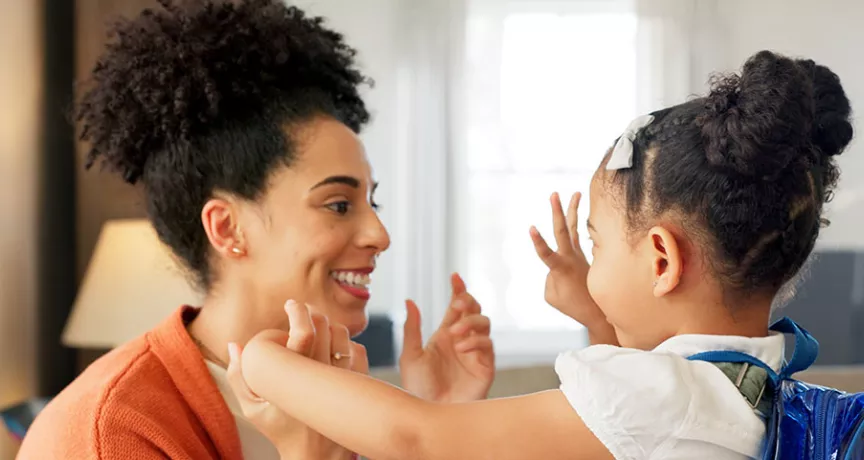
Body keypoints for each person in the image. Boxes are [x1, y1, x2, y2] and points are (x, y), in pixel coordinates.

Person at [230, 50, 854, 460]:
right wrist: (596, 307)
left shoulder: (655, 399)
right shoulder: (755, 391)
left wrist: (261, 358)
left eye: (598, 242)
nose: (591, 261)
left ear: (661, 260)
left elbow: (415, 438)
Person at [18, 1, 495, 459]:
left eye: (372, 201)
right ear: (227, 229)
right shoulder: (109, 432)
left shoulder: (344, 392)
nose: (379, 234)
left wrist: (441, 423)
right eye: (338, 204)